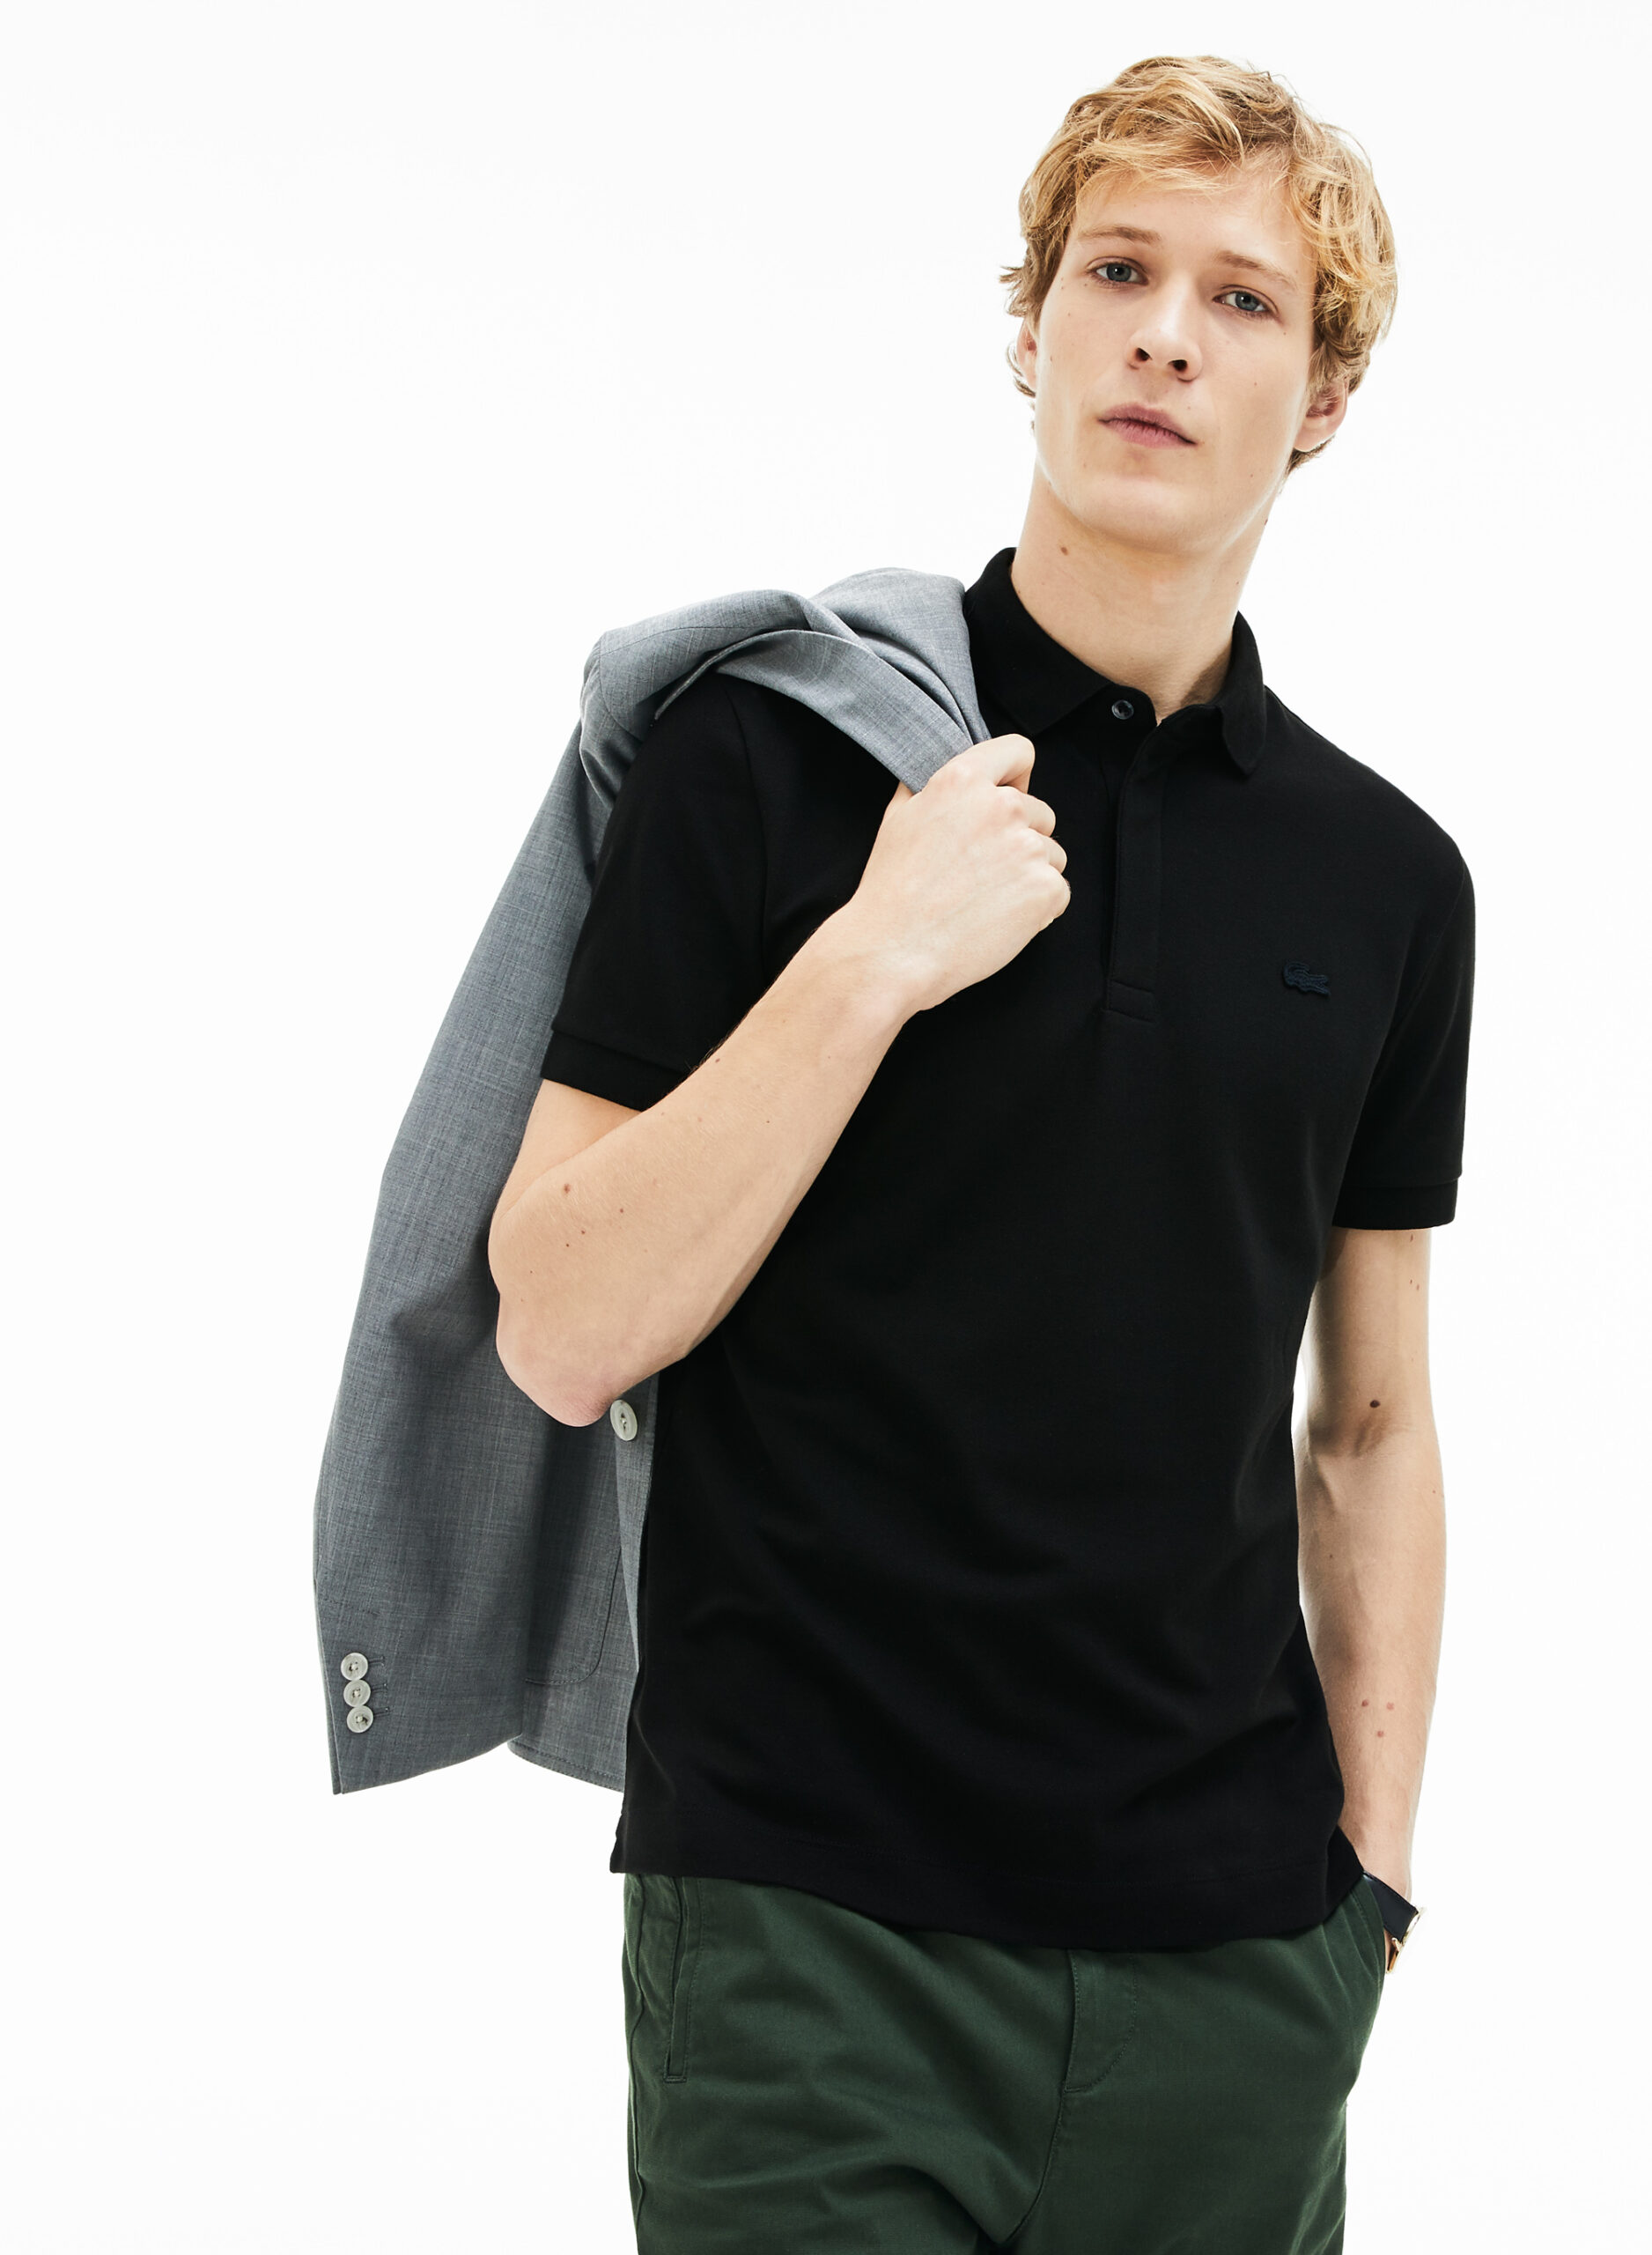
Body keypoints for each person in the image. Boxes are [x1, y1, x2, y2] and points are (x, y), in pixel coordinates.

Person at [487, 52, 1472, 2255]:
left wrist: (1369, 1881)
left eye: (1240, 299)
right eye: (1114, 272)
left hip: (1234, 1963)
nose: (1161, 337)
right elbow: (556, 1319)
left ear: (1320, 398)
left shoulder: (1387, 881)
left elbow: (1371, 1421)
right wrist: (871, 953)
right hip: (807, 1937)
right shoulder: (767, 755)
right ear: (1027, 326)